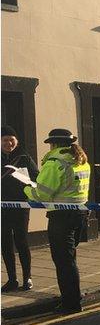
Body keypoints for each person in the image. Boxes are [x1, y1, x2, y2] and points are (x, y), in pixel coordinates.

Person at [24, 128, 90, 313]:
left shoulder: (55, 162)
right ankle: (73, 298)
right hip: (80, 214)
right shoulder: (81, 159)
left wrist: (27, 189)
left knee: (63, 261)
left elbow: (42, 194)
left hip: (61, 217)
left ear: (53, 144)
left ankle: (71, 303)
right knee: (69, 259)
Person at [2, 125, 38, 292]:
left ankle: (27, 278)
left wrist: (25, 180)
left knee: (21, 241)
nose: (9, 143)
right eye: (4, 140)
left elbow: (36, 177)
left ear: (16, 141)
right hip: (2, 207)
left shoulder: (24, 156)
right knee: (5, 243)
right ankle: (12, 279)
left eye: (11, 140)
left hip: (21, 205)